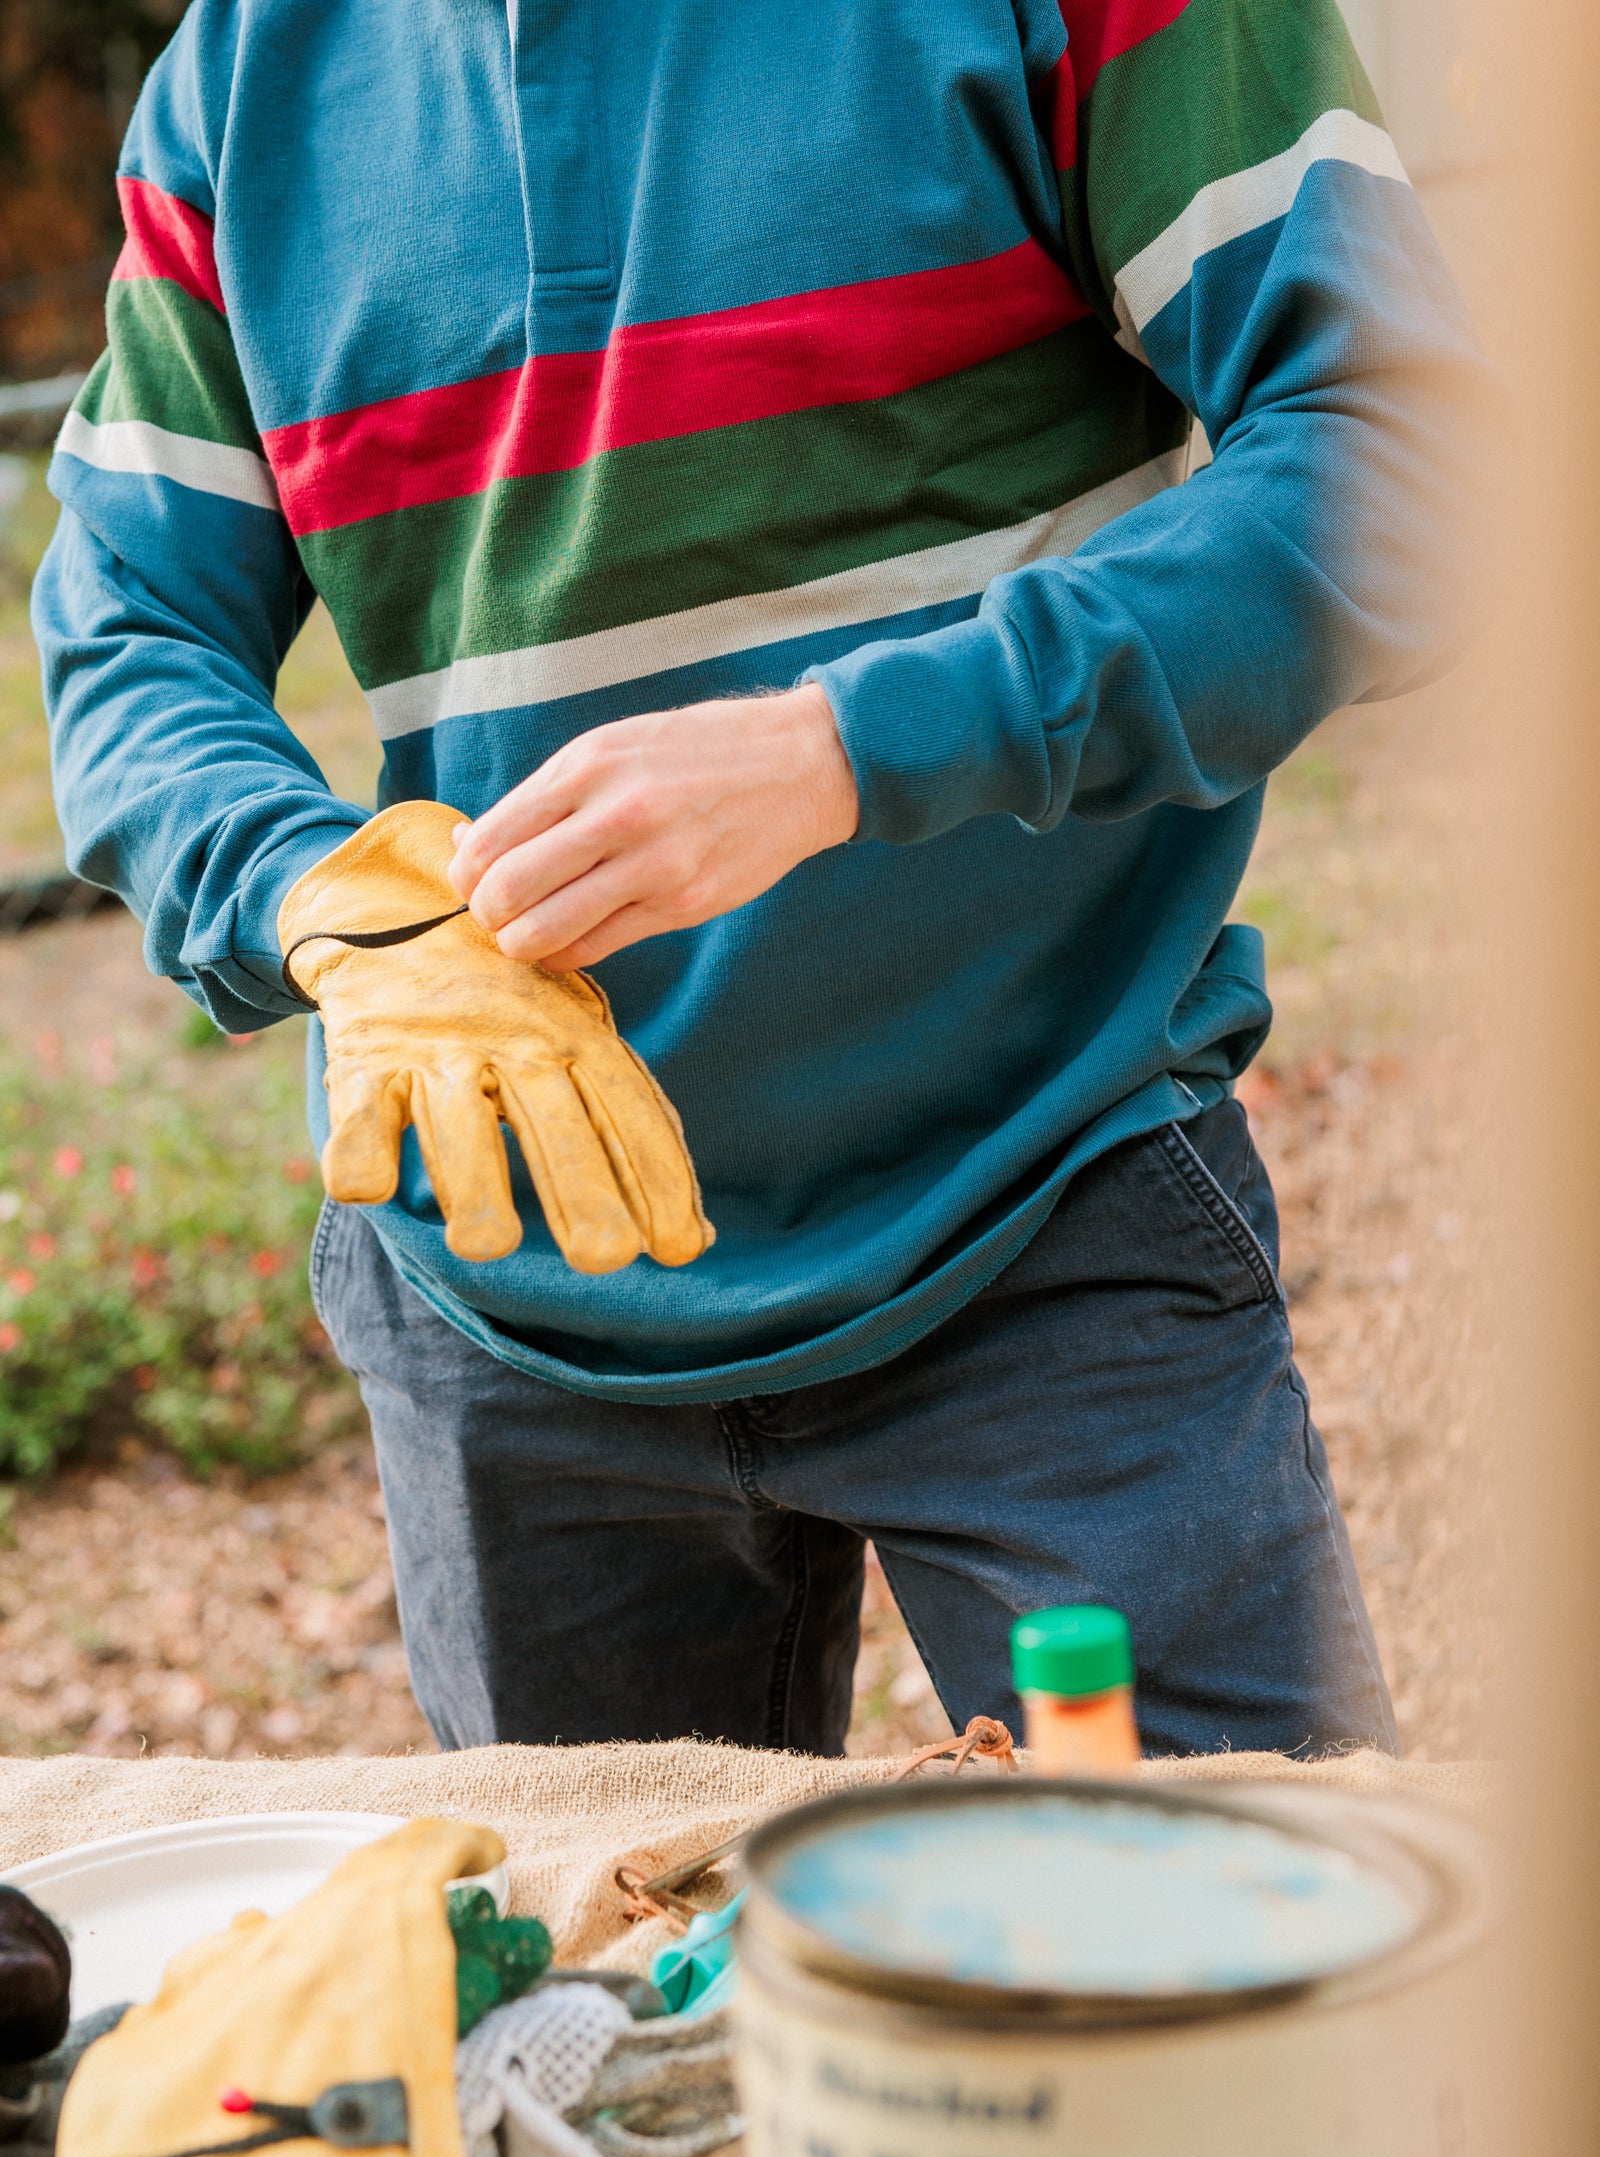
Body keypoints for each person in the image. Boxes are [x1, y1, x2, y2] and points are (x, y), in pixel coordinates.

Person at [35, 0, 1488, 1759]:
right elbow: (128, 629)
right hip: (504, 1289)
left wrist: (847, 749)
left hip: (1048, 1206)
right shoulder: (237, 76)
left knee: (1247, 1994)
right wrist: (310, 897)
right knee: (600, 2014)